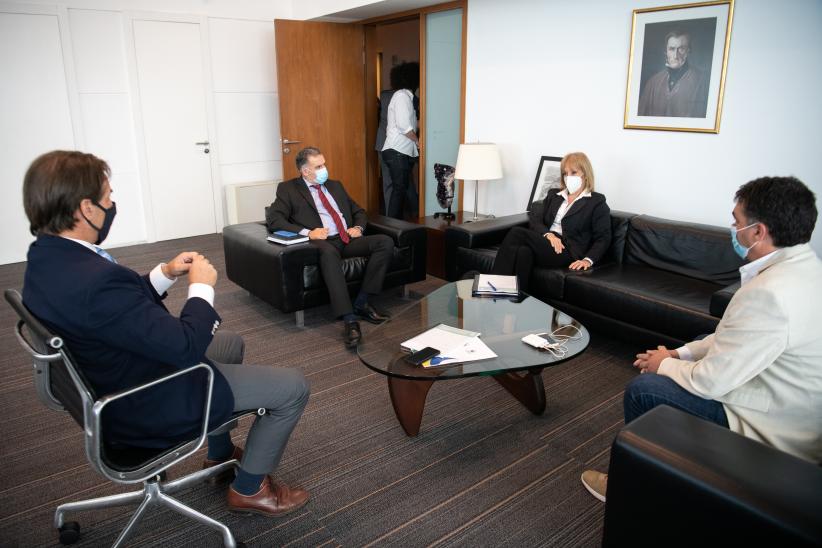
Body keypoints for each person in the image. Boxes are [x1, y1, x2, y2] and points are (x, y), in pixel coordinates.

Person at [21, 150, 310, 517]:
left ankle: (219, 454)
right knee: (293, 387)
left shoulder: (47, 259)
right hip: (142, 399)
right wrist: (201, 288)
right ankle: (250, 488)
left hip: (110, 375)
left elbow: (113, 313)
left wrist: (165, 273)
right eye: (108, 196)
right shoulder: (95, 282)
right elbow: (184, 347)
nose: (112, 204)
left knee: (229, 343)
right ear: (86, 209)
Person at [581, 176, 822, 502]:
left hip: (774, 427)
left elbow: (710, 383)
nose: (732, 229)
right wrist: (679, 354)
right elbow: (730, 335)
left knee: (644, 390)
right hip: (785, 396)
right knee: (694, 343)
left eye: (736, 222)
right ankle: (672, 459)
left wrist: (663, 364)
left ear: (758, 232)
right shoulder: (807, 269)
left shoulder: (770, 295)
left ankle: (632, 487)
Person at [266, 146, 393, 348]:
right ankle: (350, 319)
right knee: (328, 252)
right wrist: (308, 232)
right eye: (319, 166)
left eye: (324, 164)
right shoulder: (288, 189)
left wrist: (358, 227)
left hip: (346, 239)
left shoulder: (335, 186)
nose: (325, 169)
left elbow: (359, 210)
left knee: (384, 242)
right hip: (322, 242)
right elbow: (274, 220)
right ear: (305, 170)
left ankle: (362, 302)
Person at [490, 152, 611, 292]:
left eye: (573, 172)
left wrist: (587, 260)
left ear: (585, 173)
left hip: (567, 250)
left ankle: (492, 286)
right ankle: (516, 303)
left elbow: (603, 237)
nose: (568, 177)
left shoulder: (596, 202)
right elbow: (535, 218)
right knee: (524, 252)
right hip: (547, 242)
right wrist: (548, 234)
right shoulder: (554, 195)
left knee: (517, 233)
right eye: (565, 173)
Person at [637, 30, 709, 118]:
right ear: (666, 52)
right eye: (672, 49)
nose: (676, 55)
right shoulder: (653, 82)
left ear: (688, 51)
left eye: (681, 49)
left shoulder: (702, 80)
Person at [381, 62, 421, 219]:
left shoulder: (407, 97)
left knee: (404, 188)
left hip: (401, 151)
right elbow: (405, 127)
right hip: (396, 150)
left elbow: (411, 123)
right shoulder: (402, 96)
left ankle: (407, 220)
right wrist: (418, 141)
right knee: (399, 189)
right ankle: (393, 226)